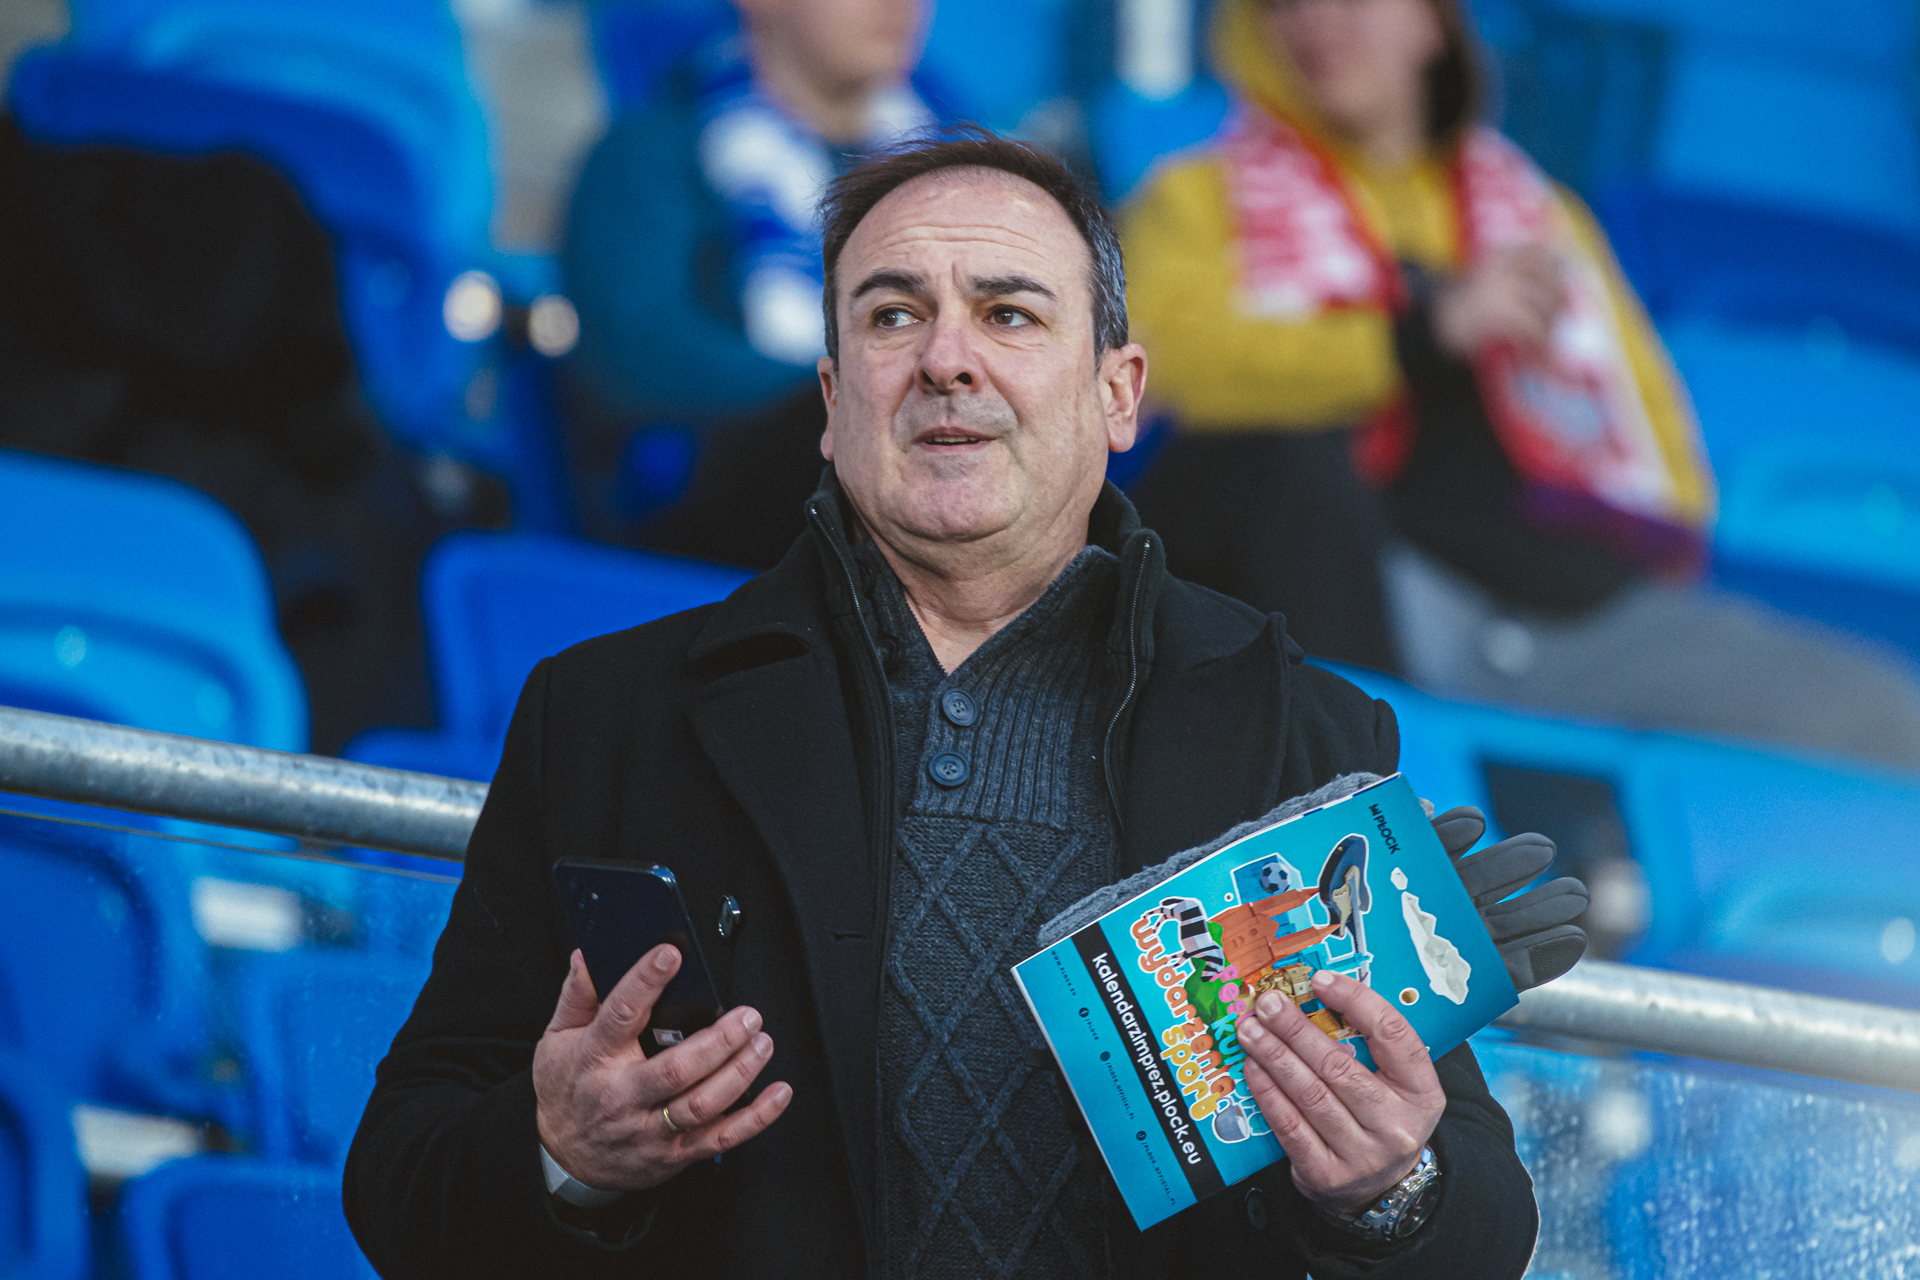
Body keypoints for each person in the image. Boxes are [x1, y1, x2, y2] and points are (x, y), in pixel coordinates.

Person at [347, 132, 1555, 1277]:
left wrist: (1387, 1182)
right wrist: (564, 1152)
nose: (946, 359)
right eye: (892, 315)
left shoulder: (1301, 730)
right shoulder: (608, 714)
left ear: (1119, 393)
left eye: (1010, 312)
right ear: (832, 403)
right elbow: (399, 1177)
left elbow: (1484, 1231)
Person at [1123, 0, 1920, 767]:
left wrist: (1650, 543)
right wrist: (1424, 333)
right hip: (1385, 597)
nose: (1315, 19)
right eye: (1282, 3)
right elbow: (1165, 365)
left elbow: (1656, 429)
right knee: (1267, 474)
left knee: (1892, 718)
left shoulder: (1546, 216)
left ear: (1432, 22)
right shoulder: (1196, 197)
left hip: (1591, 609)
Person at [562, 0, 933, 554]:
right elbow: (635, 362)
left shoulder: (961, 173)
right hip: (718, 520)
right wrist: (862, 392)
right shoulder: (650, 156)